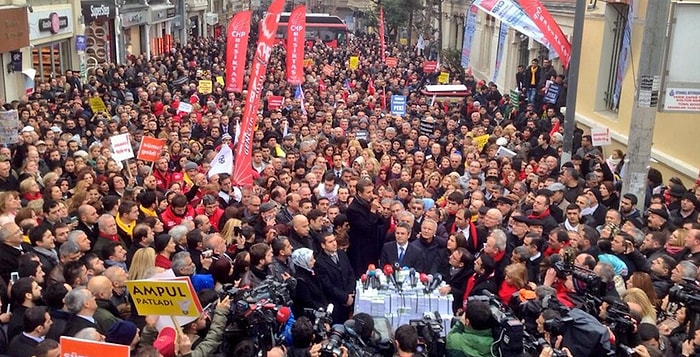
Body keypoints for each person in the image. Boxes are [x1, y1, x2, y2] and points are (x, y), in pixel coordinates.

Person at [314, 232, 355, 324]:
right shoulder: (319, 262)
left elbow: (350, 273)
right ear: (323, 245)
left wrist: (349, 293)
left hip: (349, 299)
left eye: (334, 240)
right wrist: (344, 297)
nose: (334, 243)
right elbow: (328, 286)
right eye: (330, 242)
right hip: (335, 304)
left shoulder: (342, 254)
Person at [347, 179, 385, 277]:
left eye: (372, 191)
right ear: (359, 193)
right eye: (368, 192)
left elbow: (379, 223)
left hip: (373, 247)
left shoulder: (369, 203)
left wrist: (380, 214)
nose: (371, 195)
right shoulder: (353, 209)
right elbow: (367, 227)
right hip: (360, 250)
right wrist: (372, 211)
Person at [290, 247, 328, 319]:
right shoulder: (300, 280)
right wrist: (321, 309)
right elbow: (308, 302)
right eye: (311, 260)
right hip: (311, 315)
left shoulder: (312, 271)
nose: (314, 261)